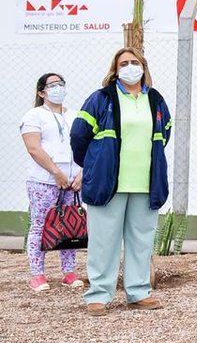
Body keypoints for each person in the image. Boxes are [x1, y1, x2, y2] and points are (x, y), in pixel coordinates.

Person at [70, 48, 172, 316]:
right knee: (104, 242)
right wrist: (94, 164)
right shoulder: (101, 98)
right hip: (108, 184)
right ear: (115, 70)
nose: (130, 67)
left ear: (143, 66)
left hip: (146, 183)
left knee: (141, 240)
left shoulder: (156, 100)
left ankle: (138, 292)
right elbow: (79, 136)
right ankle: (98, 295)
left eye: (134, 62)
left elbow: (165, 134)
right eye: (124, 63)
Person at [20, 73, 84, 292]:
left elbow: (87, 145)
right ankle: (37, 275)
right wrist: (56, 172)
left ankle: (69, 272)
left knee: (71, 226)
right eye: (53, 85)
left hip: (72, 182)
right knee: (40, 224)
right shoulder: (34, 115)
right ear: (42, 92)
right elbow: (33, 148)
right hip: (44, 181)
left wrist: (82, 173)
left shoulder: (75, 115)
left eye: (61, 84)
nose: (58, 88)